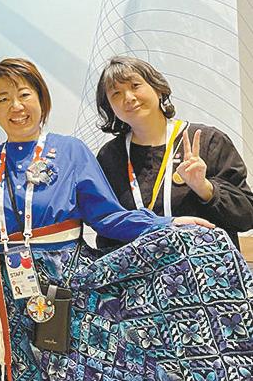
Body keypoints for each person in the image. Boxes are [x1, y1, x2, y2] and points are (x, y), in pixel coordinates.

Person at [0, 58, 252, 381]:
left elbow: (108, 217)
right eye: (2, 99)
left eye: (24, 95)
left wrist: (168, 225)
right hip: (4, 296)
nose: (15, 106)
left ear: (42, 100)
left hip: (64, 291)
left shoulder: (71, 151)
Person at [95, 55, 253, 248]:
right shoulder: (110, 156)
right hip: (139, 265)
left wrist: (205, 188)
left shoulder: (208, 140)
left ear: (158, 89)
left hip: (204, 263)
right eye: (116, 94)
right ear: (110, 107)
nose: (128, 98)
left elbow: (247, 216)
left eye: (135, 86)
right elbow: (107, 226)